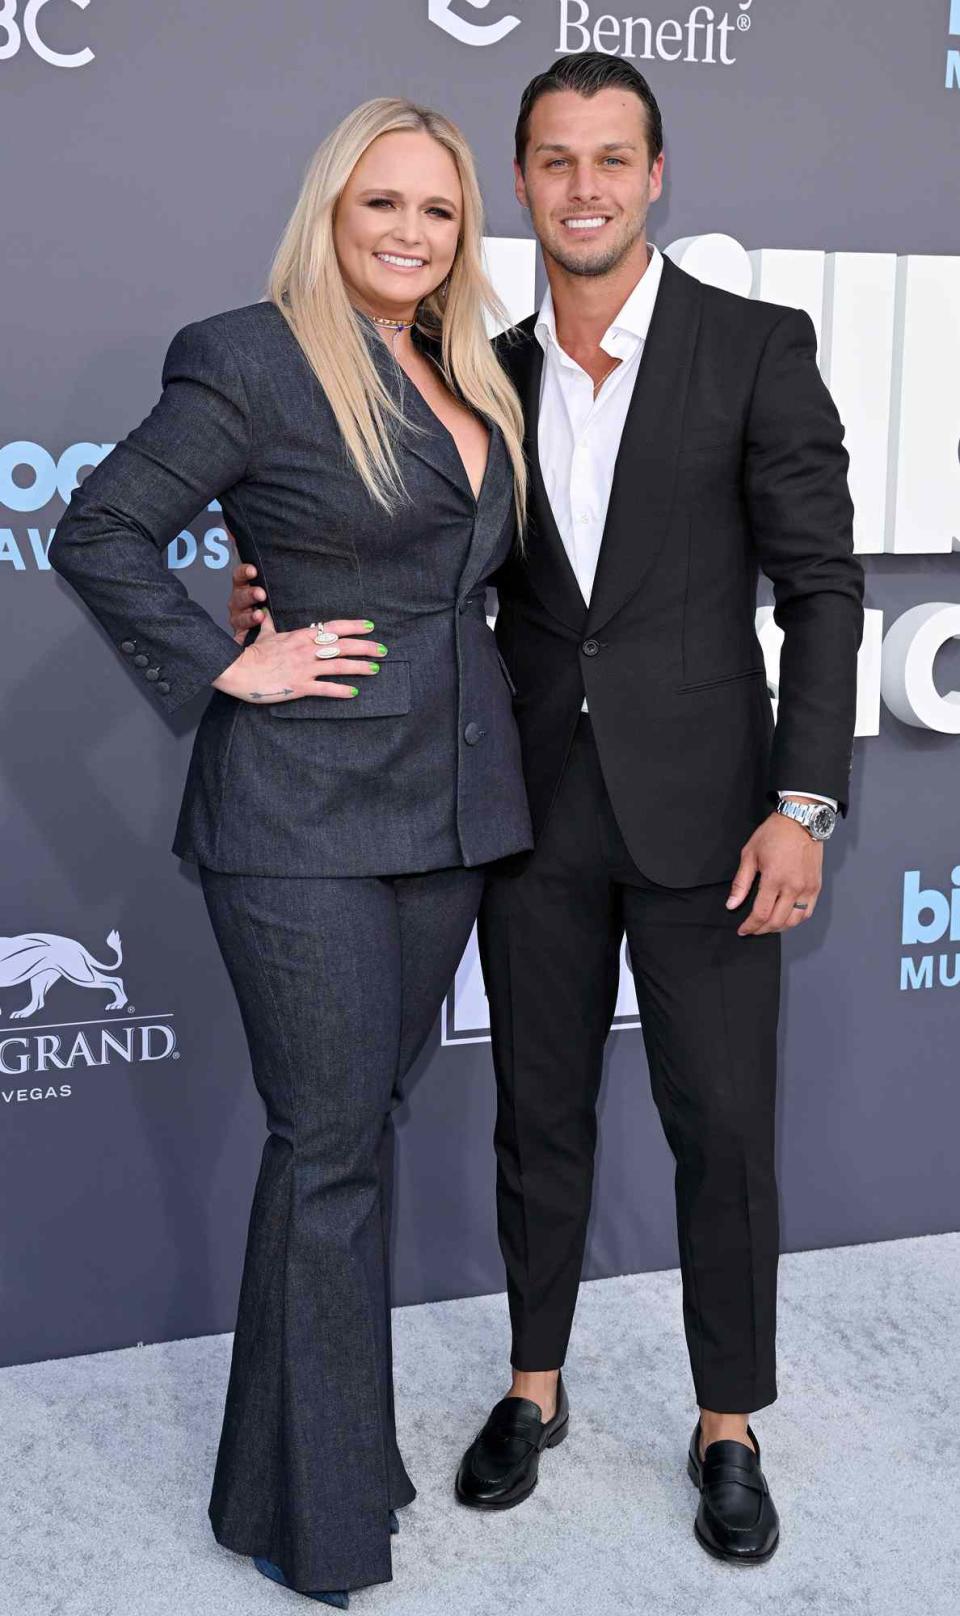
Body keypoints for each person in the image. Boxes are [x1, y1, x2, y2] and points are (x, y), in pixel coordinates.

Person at [230, 55, 864, 1567]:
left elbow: (824, 591)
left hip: (717, 815)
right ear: (521, 184)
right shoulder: (473, 371)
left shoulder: (756, 347)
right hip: (524, 807)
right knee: (540, 1121)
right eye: (554, 161)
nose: (584, 186)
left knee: (723, 1129)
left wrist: (807, 803)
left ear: (656, 176)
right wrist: (266, 597)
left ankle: (728, 1423)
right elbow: (400, 558)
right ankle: (535, 1386)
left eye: (612, 159)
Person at [49, 98, 532, 1606]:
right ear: (332, 211)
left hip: (451, 814)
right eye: (382, 203)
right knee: (328, 1151)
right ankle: (320, 1525)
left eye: (439, 212)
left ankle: (304, 1458)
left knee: (355, 1141)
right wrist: (221, 665)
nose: (409, 232)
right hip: (299, 820)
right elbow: (102, 525)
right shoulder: (249, 354)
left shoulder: (468, 370)